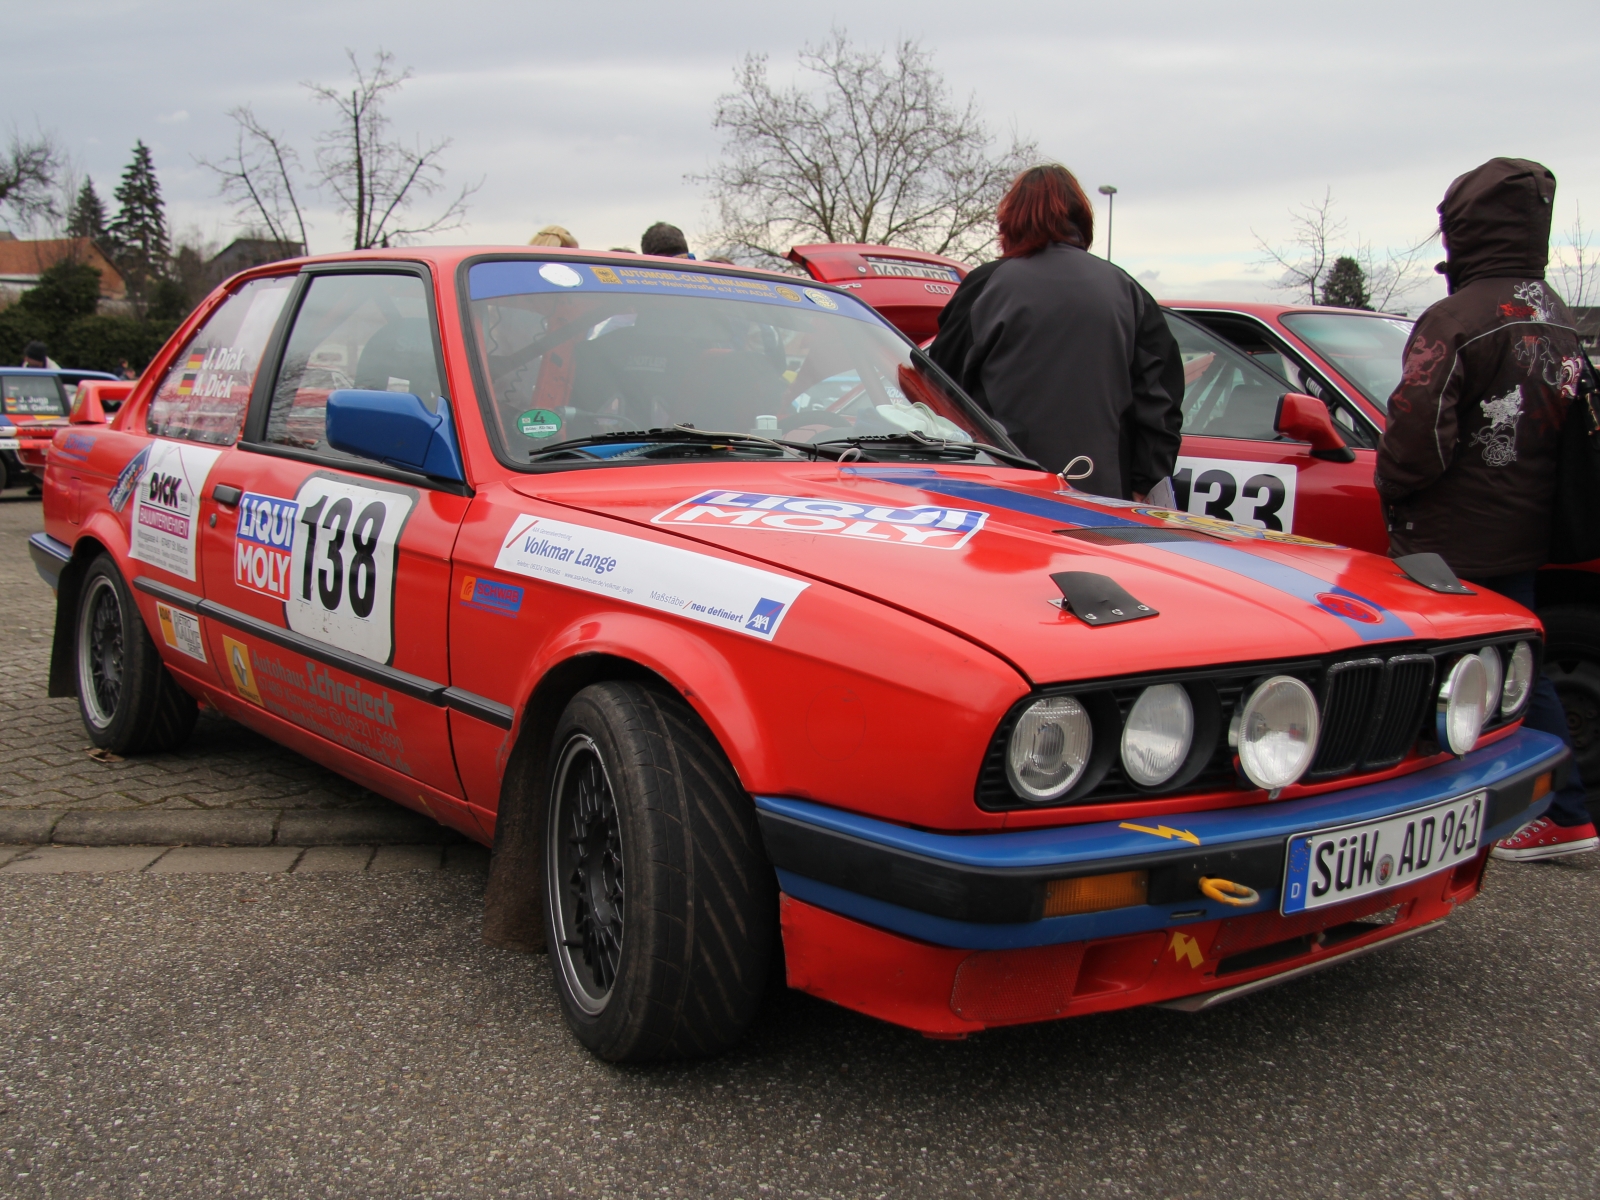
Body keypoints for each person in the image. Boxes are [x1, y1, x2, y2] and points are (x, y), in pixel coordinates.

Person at [1375, 157, 1598, 862]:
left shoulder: (1458, 319)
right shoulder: (1556, 315)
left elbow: (1415, 439)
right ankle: (1527, 807)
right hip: (1526, 526)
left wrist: (1398, 491)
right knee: (1511, 667)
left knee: (1472, 671)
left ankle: (1560, 814)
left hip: (1452, 537)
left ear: (1465, 229)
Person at [926, 164, 1183, 499]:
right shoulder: (1127, 292)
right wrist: (1143, 483)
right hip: (1102, 497)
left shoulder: (987, 287)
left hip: (1000, 493)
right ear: (1081, 219)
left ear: (1011, 220)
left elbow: (937, 391)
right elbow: (1160, 403)